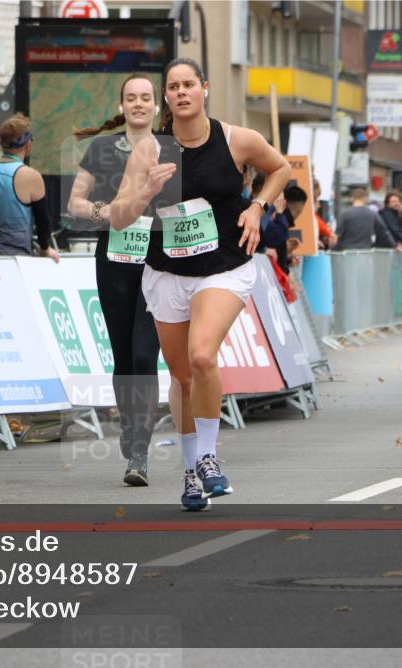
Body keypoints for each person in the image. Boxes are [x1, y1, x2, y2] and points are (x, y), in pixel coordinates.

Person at [109, 57, 291, 510]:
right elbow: (118, 216)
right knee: (183, 376)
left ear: (204, 88)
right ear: (166, 98)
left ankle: (208, 458)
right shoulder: (151, 149)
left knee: (202, 354)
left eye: (189, 83)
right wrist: (145, 192)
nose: (182, 92)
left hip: (224, 267)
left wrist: (258, 207)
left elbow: (281, 169)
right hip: (167, 273)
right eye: (174, 86)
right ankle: (190, 472)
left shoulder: (237, 139)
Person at [67, 73, 162, 486]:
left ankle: (139, 451)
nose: (139, 104)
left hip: (159, 262)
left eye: (146, 97)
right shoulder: (102, 148)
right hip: (115, 260)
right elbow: (75, 202)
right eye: (131, 98)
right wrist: (104, 212)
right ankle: (129, 428)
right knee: (124, 356)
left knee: (146, 355)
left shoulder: (170, 146)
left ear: (156, 105)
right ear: (122, 106)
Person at [0, 114, 61, 262]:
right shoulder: (30, 176)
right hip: (15, 260)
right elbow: (42, 221)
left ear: (2, 144)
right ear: (28, 144)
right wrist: (45, 249)